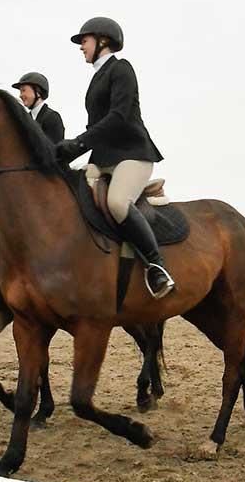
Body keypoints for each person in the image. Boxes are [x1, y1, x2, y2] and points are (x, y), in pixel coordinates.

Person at [54, 17, 174, 298]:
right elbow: (95, 127)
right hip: (104, 156)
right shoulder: (97, 77)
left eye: (84, 41)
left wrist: (78, 144)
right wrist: (66, 150)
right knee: (70, 192)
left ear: (103, 41)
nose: (81, 47)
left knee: (117, 202)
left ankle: (156, 267)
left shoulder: (121, 69)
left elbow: (118, 118)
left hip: (132, 154)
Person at [11, 72, 64, 143]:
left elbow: (54, 149)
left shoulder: (52, 117)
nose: (20, 95)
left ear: (37, 91)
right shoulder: (24, 120)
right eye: (20, 92)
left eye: (23, 90)